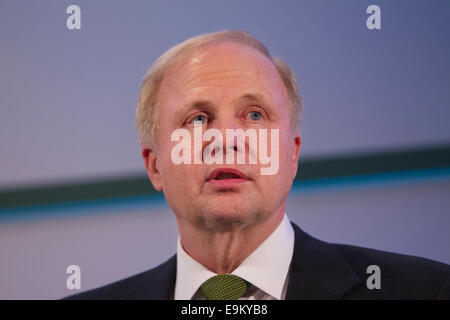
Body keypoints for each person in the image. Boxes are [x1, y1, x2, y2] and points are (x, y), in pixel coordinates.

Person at [66, 30, 450, 300]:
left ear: (292, 154)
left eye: (254, 115)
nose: (227, 139)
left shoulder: (425, 290)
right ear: (155, 166)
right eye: (198, 119)